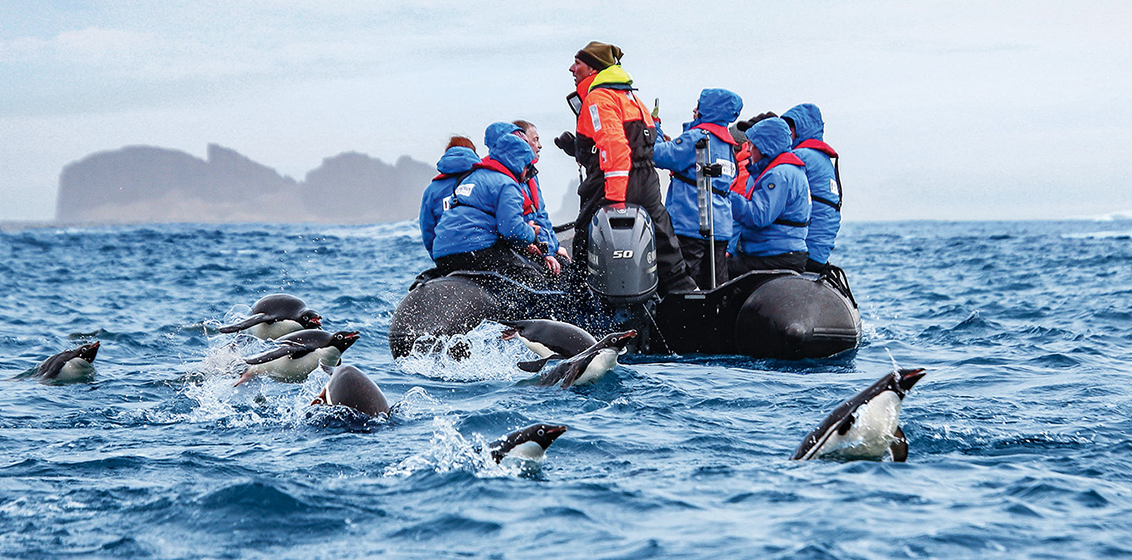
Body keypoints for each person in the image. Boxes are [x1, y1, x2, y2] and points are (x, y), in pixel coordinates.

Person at [555, 41, 697, 295]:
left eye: (577, 63)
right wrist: (577, 148)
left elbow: (615, 147)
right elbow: (636, 143)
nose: (571, 69)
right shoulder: (631, 97)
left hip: (611, 184)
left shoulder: (598, 98)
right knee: (664, 245)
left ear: (593, 69)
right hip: (647, 183)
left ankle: (579, 304)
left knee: (586, 242)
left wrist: (615, 202)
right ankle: (687, 299)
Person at [430, 123, 545, 285]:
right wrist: (531, 233)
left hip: (443, 254)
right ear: (519, 163)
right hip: (476, 250)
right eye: (528, 167)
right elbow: (511, 230)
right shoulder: (506, 184)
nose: (527, 173)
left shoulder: (471, 177)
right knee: (533, 279)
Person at [652, 88, 743, 289]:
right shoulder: (727, 145)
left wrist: (654, 129)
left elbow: (658, 155)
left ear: (710, 109)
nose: (695, 110)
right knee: (716, 286)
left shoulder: (697, 138)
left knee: (683, 284)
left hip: (691, 224)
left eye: (699, 106)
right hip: (720, 228)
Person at [728, 117, 811, 274]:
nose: (747, 150)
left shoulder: (778, 175)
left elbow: (758, 216)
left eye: (752, 145)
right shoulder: (789, 170)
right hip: (785, 252)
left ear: (765, 147)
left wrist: (727, 196)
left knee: (716, 271)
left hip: (775, 256)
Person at [781, 103, 841, 273]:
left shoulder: (799, 157)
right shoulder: (824, 160)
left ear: (800, 130)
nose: (786, 134)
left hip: (802, 250)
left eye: (789, 129)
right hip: (820, 253)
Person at [513, 119, 571, 276]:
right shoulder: (510, 179)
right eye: (535, 140)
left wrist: (554, 247)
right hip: (525, 246)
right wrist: (547, 253)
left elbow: (541, 215)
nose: (540, 146)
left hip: (537, 243)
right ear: (523, 142)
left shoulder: (531, 175)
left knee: (568, 267)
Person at [419, 136, 479, 260]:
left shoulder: (431, 190)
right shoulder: (484, 180)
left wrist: (437, 256)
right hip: (480, 249)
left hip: (445, 254)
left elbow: (427, 231)